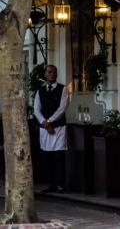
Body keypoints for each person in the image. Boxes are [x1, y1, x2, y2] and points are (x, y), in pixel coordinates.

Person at [34, 65, 69, 193]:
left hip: (58, 127)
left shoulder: (63, 89)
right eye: (49, 72)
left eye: (54, 72)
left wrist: (49, 122)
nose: (52, 74)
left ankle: (61, 184)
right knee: (47, 156)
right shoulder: (39, 91)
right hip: (44, 128)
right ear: (45, 74)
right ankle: (51, 184)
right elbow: (36, 109)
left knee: (59, 156)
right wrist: (44, 122)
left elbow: (62, 108)